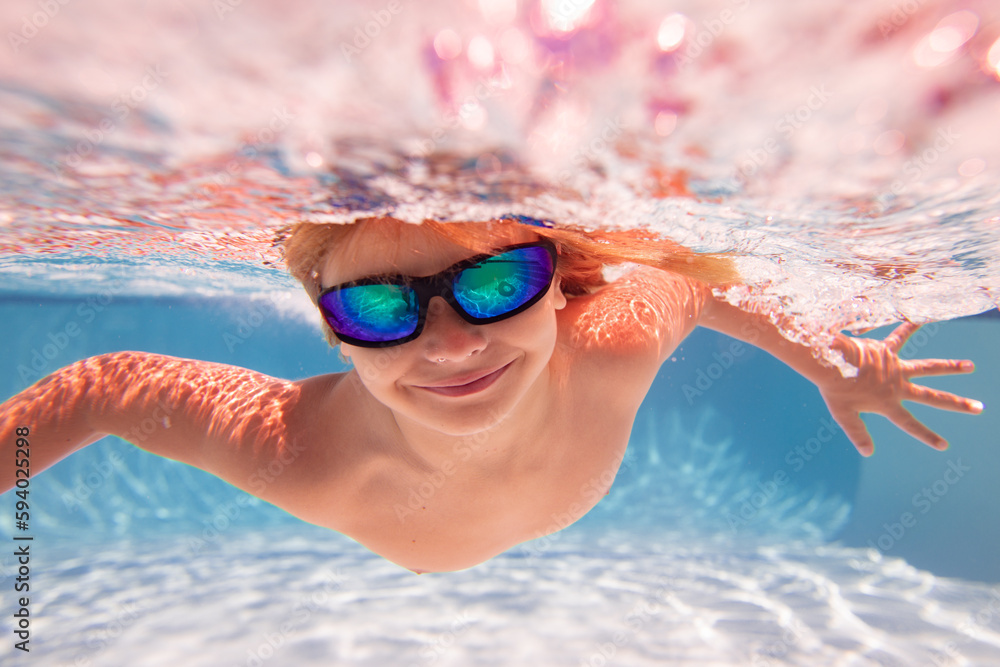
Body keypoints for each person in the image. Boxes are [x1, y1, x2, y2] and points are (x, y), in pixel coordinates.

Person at [0, 216, 983, 573]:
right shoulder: (299, 451)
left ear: (555, 284)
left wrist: (831, 362)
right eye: (381, 309)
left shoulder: (608, 346)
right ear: (334, 333)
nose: (450, 341)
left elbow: (698, 280)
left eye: (494, 283)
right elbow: (112, 385)